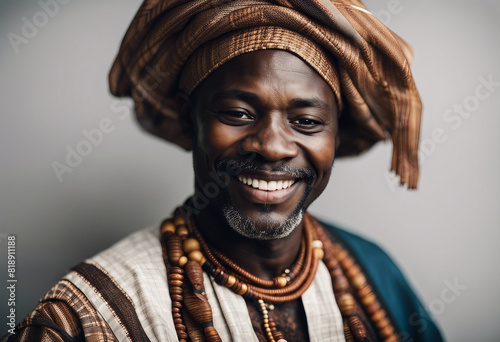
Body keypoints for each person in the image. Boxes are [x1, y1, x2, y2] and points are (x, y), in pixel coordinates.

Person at [3, 0, 443, 341]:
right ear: (189, 117)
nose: (272, 147)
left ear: (336, 135)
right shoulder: (85, 315)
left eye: (306, 121)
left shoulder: (374, 272)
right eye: (237, 113)